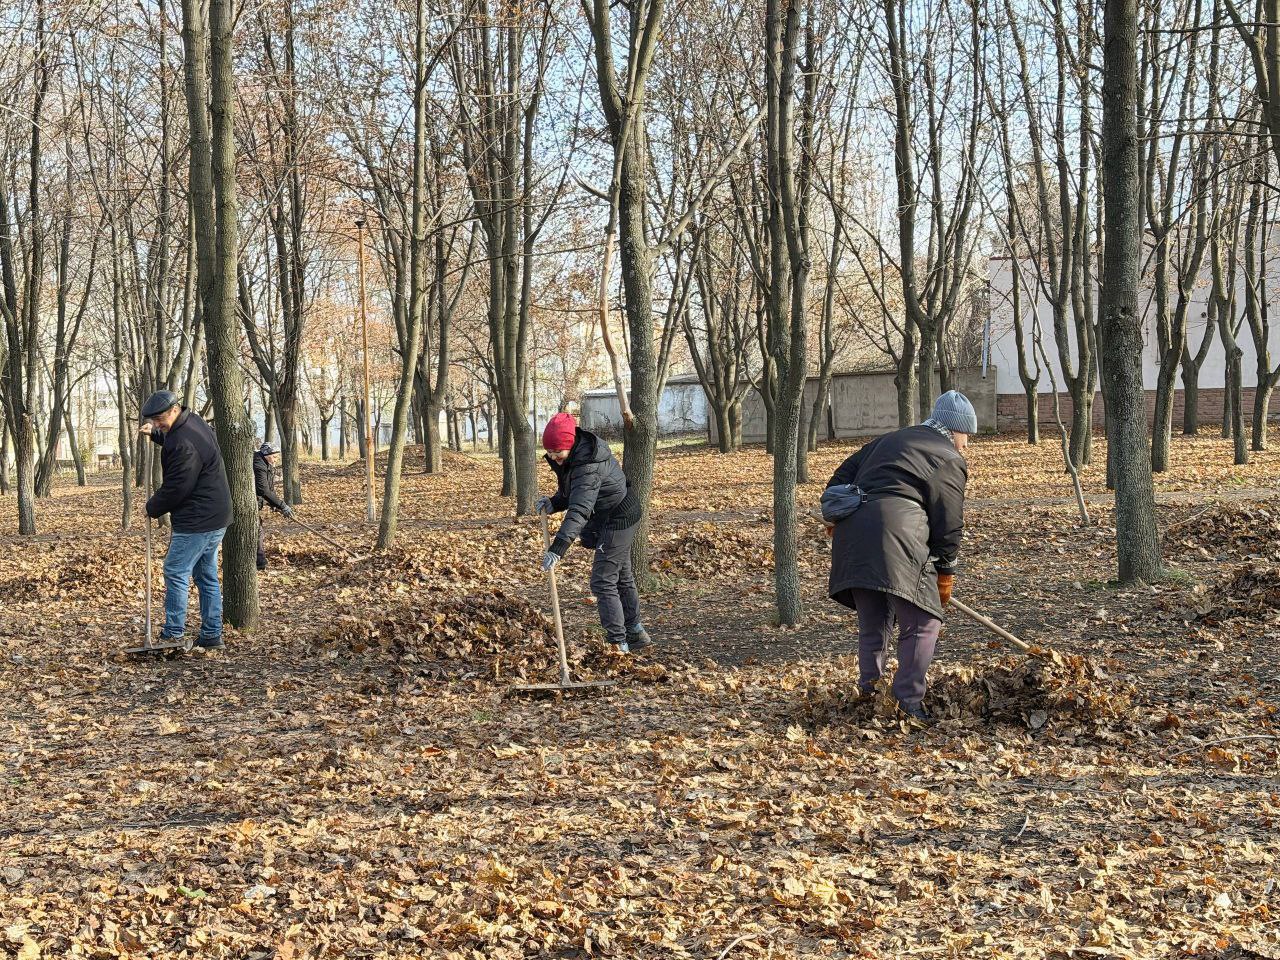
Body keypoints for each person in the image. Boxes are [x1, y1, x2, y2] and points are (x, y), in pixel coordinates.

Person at [824, 390, 974, 724]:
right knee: (923, 622)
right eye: (967, 436)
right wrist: (945, 572)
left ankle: (869, 696)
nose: (967, 445)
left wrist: (842, 516)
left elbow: (838, 480)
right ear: (955, 430)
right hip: (897, 536)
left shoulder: (887, 440)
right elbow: (949, 523)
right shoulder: (948, 457)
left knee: (874, 621)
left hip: (853, 536)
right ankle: (909, 702)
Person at [536, 412, 651, 653]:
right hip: (614, 512)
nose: (554, 457)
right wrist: (554, 503)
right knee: (620, 575)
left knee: (603, 580)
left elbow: (580, 508)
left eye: (558, 451)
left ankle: (618, 644)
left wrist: (558, 548)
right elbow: (575, 491)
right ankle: (635, 633)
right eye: (550, 452)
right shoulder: (576, 456)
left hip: (618, 517)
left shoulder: (588, 464)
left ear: (569, 443)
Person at [140, 389, 233, 651]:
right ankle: (212, 634)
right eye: (154, 420)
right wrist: (157, 433)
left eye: (160, 420)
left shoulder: (183, 443)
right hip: (216, 516)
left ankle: (172, 634)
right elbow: (177, 439)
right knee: (205, 575)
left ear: (174, 410)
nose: (158, 424)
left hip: (198, 519)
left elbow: (178, 486)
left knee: (175, 570)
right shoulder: (193, 421)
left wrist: (152, 507)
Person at [253, 442, 293, 571]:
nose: (276, 459)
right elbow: (263, 490)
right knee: (257, 531)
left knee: (257, 531)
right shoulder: (258, 465)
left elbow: (270, 488)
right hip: (249, 503)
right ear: (266, 454)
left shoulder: (267, 464)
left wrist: (275, 504)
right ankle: (260, 563)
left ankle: (259, 562)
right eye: (274, 457)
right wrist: (282, 505)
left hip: (257, 502)